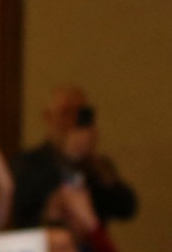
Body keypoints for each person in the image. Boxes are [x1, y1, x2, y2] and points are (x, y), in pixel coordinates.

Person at [9, 87, 138, 230]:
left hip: (91, 247)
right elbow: (23, 214)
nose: (73, 121)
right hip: (49, 245)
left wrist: (96, 166)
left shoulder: (97, 166)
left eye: (80, 114)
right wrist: (68, 159)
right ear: (48, 116)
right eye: (66, 113)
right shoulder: (27, 162)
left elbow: (127, 209)